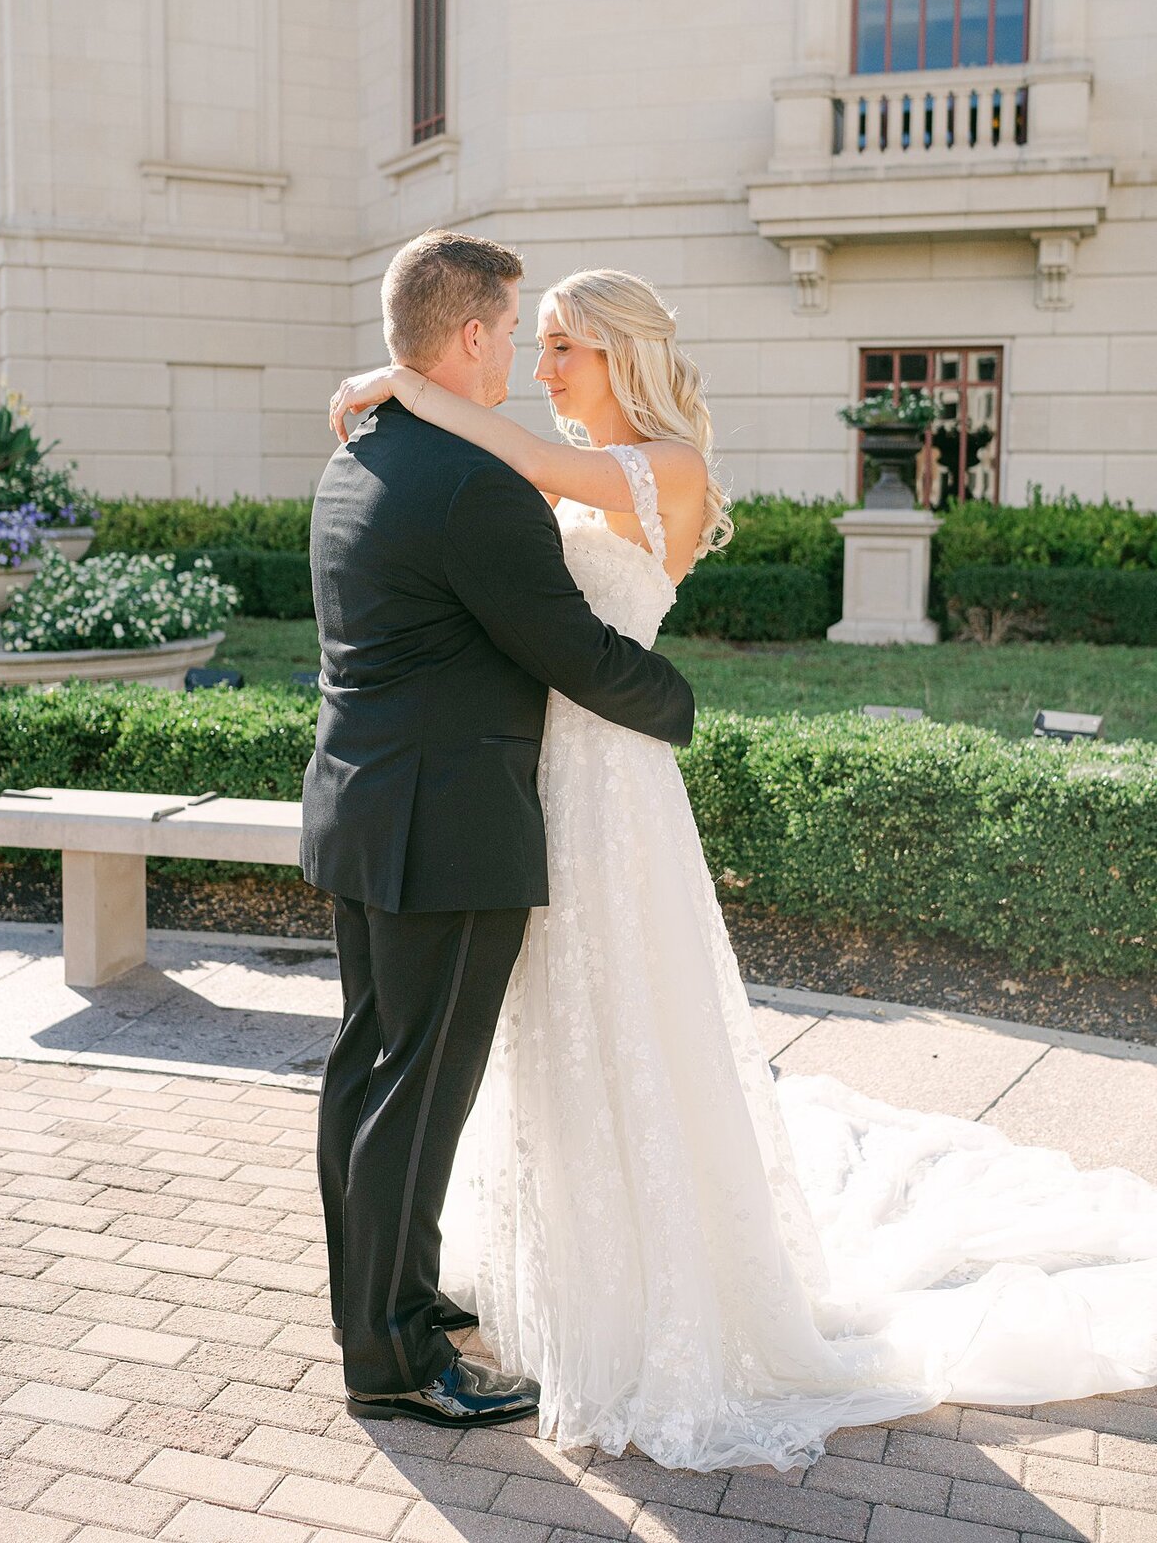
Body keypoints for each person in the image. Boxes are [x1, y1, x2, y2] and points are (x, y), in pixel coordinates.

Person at [327, 263, 1157, 1472]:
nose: (542, 369)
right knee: (537, 1044)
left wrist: (393, 381)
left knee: (622, 1029)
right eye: (531, 342)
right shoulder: (540, 461)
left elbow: (537, 496)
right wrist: (400, 387)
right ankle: (522, 1289)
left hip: (608, 784)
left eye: (562, 347)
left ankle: (646, 1306)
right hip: (525, 787)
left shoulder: (664, 467)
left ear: (622, 355)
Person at [301, 234, 695, 1432]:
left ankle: (380, 1312)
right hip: (450, 827)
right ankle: (396, 1356)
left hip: (367, 810)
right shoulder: (477, 483)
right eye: (521, 331)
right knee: (418, 1095)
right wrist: (678, 705)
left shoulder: (359, 456)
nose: (531, 356)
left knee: (372, 1073)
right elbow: (569, 651)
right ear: (471, 337)